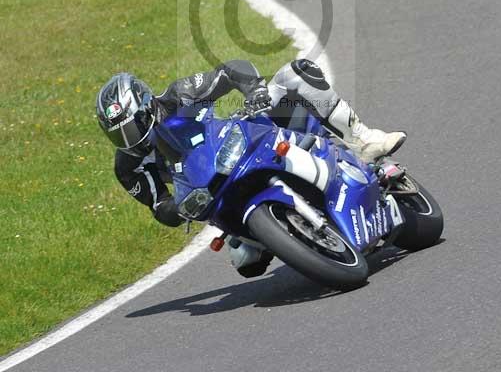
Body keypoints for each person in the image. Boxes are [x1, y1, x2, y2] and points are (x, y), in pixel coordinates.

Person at [96, 59, 405, 277]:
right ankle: (284, 234)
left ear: (147, 105)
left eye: (132, 128)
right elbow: (159, 205)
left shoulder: (179, 96)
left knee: (294, 74)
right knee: (246, 262)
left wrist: (255, 91)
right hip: (213, 195)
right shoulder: (129, 166)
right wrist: (176, 210)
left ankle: (363, 140)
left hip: (242, 145)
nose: (130, 140)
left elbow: (229, 71)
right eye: (118, 136)